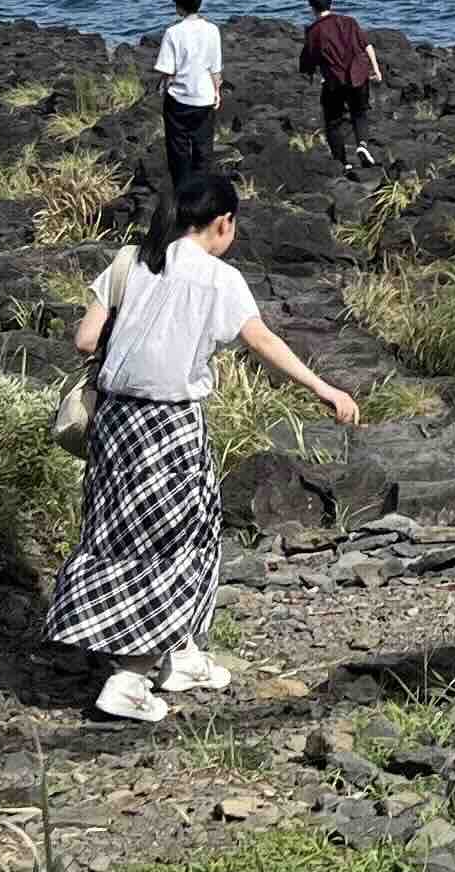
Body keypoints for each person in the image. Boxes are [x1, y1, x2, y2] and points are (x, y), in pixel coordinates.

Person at [47, 172, 356, 721]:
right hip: (170, 423)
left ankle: (181, 652)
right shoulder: (219, 278)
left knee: (121, 531)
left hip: (116, 423)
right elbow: (262, 341)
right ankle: (131, 675)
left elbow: (85, 340)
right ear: (223, 222)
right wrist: (323, 387)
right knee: (174, 538)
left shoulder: (131, 261)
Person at [298, 0, 385, 171]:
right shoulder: (349, 22)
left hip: (334, 81)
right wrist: (376, 70)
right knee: (359, 114)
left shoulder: (314, 31)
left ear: (312, 8)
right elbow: (367, 46)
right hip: (358, 75)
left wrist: (309, 73)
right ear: (332, 4)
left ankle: (342, 162)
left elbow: (308, 60)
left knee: (332, 122)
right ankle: (362, 144)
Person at [152, 0, 222, 203]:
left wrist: (161, 86)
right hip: (204, 96)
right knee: (203, 149)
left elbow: (167, 70)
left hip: (179, 98)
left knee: (178, 150)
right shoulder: (212, 30)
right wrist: (217, 91)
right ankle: (201, 196)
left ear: (179, 7)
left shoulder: (173, 32)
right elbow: (215, 67)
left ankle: (182, 195)